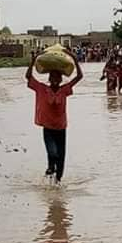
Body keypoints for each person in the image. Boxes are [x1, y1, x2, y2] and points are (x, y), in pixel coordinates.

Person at [25, 54, 83, 184]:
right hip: (48, 128)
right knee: (53, 153)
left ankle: (57, 186)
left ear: (61, 79)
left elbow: (79, 77)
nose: (55, 79)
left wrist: (74, 58)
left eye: (58, 77)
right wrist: (33, 61)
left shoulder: (64, 90)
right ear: (49, 79)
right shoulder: (42, 88)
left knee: (61, 159)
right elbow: (28, 77)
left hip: (61, 128)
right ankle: (50, 169)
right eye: (53, 77)